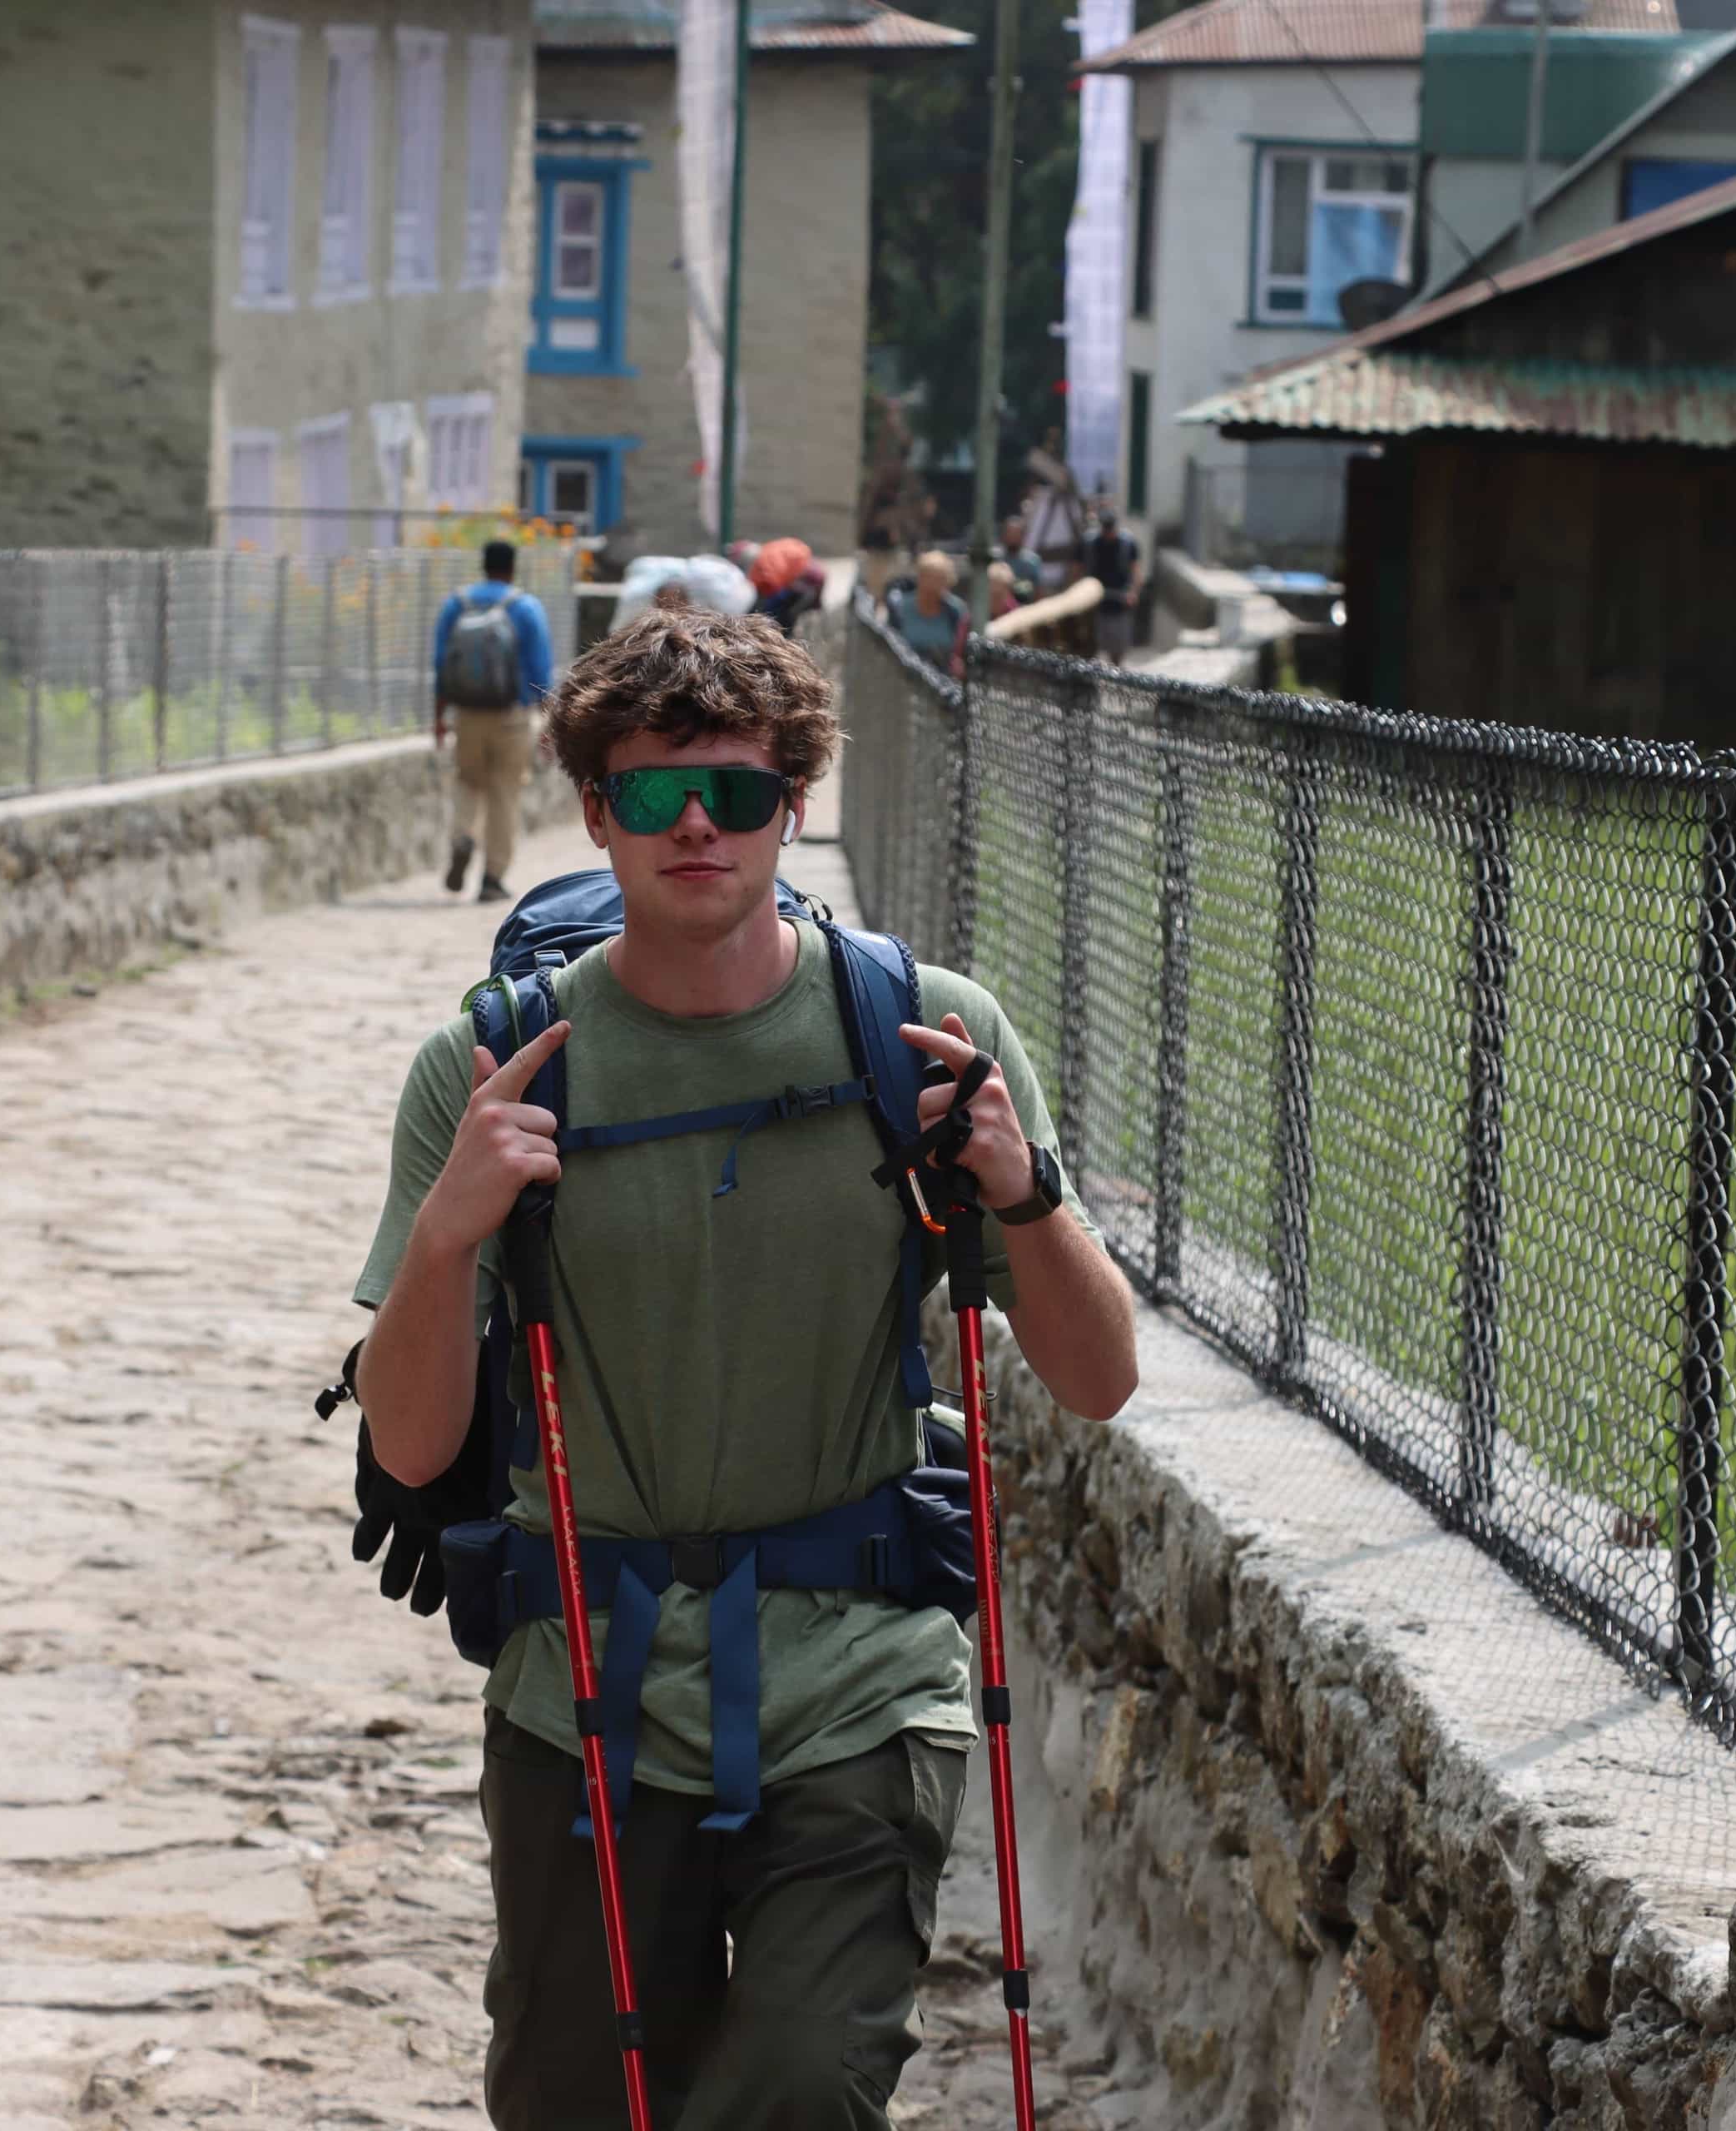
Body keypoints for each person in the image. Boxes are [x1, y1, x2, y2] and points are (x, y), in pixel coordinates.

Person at [351, 605, 1139, 2128]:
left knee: (795, 2092)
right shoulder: (493, 1066)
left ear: (797, 803)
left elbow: (1098, 1379)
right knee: (581, 2104)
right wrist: (450, 1238)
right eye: (651, 793)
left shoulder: (923, 1036)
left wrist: (1022, 1189)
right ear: (594, 812)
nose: (695, 824)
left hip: (856, 1679)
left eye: (740, 791)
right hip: (584, 1681)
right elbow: (409, 1437)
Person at [434, 539, 558, 906]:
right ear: (512, 567)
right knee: (505, 794)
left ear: (483, 565)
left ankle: (462, 837)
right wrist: (548, 724)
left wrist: (439, 718)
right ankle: (492, 878)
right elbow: (540, 672)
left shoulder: (456, 606)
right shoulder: (526, 608)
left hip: (467, 715)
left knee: (467, 783)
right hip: (512, 718)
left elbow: (441, 667)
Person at [888, 547, 969, 678]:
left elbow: (963, 650)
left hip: (943, 682)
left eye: (939, 580)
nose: (932, 585)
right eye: (928, 578)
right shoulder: (899, 607)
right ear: (919, 578)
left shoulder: (956, 610)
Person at [1083, 500, 1143, 665]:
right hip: (1095, 602)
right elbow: (1077, 570)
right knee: (1092, 647)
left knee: (1118, 649)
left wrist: (1134, 593)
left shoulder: (1127, 544)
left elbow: (1136, 572)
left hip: (1119, 600)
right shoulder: (1090, 543)